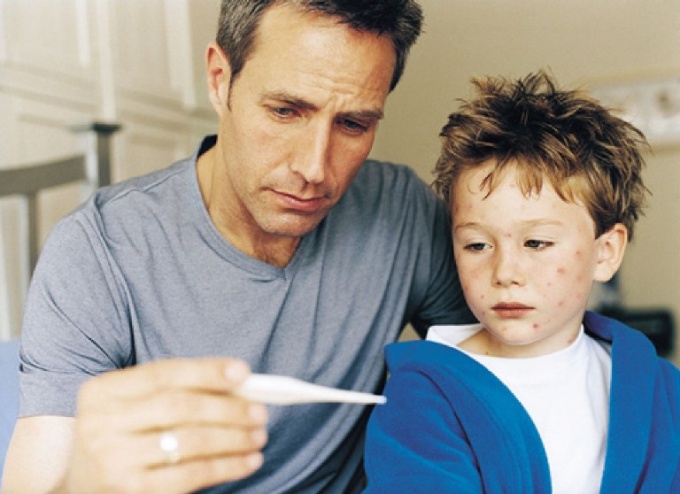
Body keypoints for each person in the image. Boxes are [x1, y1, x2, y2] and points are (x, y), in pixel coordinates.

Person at [2, 1, 474, 493]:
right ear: (219, 79)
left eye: (353, 124)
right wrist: (89, 486)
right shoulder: (97, 253)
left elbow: (507, 365)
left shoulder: (402, 213)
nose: (314, 168)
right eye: (286, 110)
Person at [364, 71, 680, 493]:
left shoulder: (660, 389)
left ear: (605, 253)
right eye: (477, 245)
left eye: (536, 242)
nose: (505, 273)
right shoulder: (420, 399)